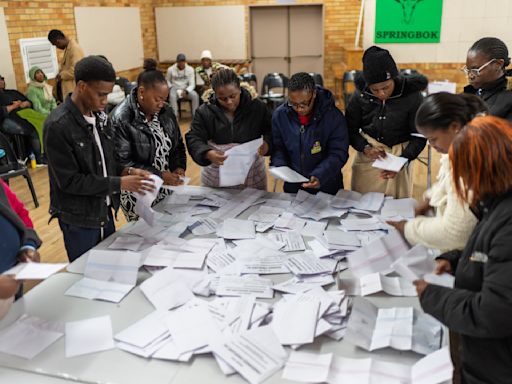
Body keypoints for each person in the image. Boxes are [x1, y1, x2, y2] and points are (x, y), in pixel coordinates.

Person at [416, 116, 512, 384]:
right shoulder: (496, 202)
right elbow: (489, 254)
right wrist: (455, 260)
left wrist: (432, 296)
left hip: (496, 368)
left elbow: (493, 314)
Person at [44, 56, 154, 262]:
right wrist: (120, 183)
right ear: (82, 86)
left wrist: (127, 171)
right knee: (86, 275)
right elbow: (69, 181)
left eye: (108, 94)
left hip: (104, 210)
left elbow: (106, 161)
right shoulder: (58, 125)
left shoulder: (101, 117)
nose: (105, 100)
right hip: (79, 218)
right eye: (100, 94)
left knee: (108, 269)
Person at [388, 93, 486, 252]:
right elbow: (446, 181)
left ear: (454, 127)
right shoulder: (459, 146)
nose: (431, 145)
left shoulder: (470, 161)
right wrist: (430, 199)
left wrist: (408, 228)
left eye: (433, 139)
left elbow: (455, 233)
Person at [346, 46, 427, 198]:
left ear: (394, 78)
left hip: (400, 154)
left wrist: (403, 159)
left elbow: (419, 136)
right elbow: (350, 129)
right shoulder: (360, 95)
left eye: (386, 87)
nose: (381, 94)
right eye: (375, 90)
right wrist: (365, 148)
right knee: (362, 206)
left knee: (395, 207)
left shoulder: (412, 96)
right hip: (368, 156)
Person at [112, 59, 187, 221]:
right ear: (141, 92)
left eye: (164, 99)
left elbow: (177, 145)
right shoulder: (121, 119)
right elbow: (123, 163)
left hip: (166, 186)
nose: (162, 104)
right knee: (145, 237)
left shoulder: (166, 112)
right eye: (157, 99)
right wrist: (159, 174)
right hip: (140, 191)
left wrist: (179, 166)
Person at [186, 68, 270, 189]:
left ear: (240, 89)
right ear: (214, 94)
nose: (229, 102)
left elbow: (272, 130)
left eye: (233, 96)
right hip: (216, 172)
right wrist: (207, 153)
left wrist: (267, 144)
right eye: (222, 98)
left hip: (251, 171)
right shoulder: (204, 111)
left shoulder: (257, 107)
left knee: (253, 204)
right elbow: (194, 137)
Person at [271, 72, 349, 195]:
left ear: (314, 94)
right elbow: (278, 148)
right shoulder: (280, 116)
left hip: (327, 186)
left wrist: (320, 175)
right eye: (293, 104)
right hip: (294, 188)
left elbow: (338, 153)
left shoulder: (333, 116)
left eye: (304, 104)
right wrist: (280, 167)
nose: (299, 109)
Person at [463, 37, 512, 121]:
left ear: (498, 64)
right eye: (468, 70)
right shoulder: (472, 93)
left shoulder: (508, 99)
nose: (470, 75)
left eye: (476, 70)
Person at [0, 75, 44, 163]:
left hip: (24, 115)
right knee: (31, 129)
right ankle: (39, 158)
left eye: (2, 79)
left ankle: (48, 153)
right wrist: (13, 106)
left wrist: (26, 103)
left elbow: (29, 102)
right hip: (5, 119)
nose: (2, 81)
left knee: (44, 123)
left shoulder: (12, 92)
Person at [48, 29, 85, 102]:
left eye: (56, 45)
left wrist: (61, 75)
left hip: (75, 93)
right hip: (69, 93)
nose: (57, 47)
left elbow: (77, 70)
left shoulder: (74, 49)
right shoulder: (68, 48)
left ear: (58, 41)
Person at [167, 53, 199, 118]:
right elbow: (167, 80)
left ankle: (195, 116)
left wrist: (186, 91)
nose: (181, 63)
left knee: (195, 96)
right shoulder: (170, 69)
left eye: (183, 61)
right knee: (172, 96)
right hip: (174, 88)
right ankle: (175, 116)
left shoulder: (190, 69)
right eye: (179, 61)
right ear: (177, 62)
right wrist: (171, 87)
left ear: (185, 61)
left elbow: (192, 84)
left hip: (186, 88)